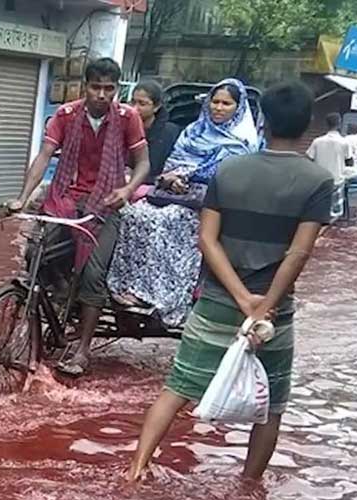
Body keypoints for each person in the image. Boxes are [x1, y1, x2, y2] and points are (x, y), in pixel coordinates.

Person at [126, 81, 333, 483]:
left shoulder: (229, 169)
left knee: (178, 387)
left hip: (218, 300)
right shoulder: (318, 181)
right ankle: (249, 486)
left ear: (263, 119)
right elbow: (299, 253)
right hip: (273, 311)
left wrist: (239, 297)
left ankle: (135, 470)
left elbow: (206, 239)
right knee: (271, 406)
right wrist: (262, 305)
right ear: (307, 124)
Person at [7, 57, 151, 376]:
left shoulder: (128, 117)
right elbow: (45, 155)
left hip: (107, 203)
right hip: (66, 198)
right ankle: (57, 301)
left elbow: (143, 164)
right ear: (84, 86)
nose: (102, 94)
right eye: (96, 87)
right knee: (35, 252)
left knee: (93, 274)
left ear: (116, 89)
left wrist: (127, 191)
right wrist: (22, 197)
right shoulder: (65, 114)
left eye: (109, 89)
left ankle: (82, 351)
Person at [108, 79, 262, 327]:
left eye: (226, 103)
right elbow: (172, 163)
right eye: (215, 101)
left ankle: (158, 295)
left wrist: (189, 177)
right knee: (133, 214)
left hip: (212, 204)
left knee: (165, 221)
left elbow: (229, 173)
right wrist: (172, 179)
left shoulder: (244, 140)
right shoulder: (192, 131)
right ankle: (128, 287)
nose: (219, 108)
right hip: (173, 194)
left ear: (238, 107)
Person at [131, 81, 181, 184]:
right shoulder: (123, 127)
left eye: (142, 104)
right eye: (133, 102)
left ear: (156, 107)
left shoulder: (169, 133)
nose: (135, 108)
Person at [306, 113, 352, 219]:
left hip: (319, 181)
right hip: (336, 180)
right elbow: (349, 161)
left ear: (326, 124)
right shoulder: (344, 142)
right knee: (335, 213)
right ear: (339, 124)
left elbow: (308, 158)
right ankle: (325, 231)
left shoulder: (317, 141)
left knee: (317, 211)